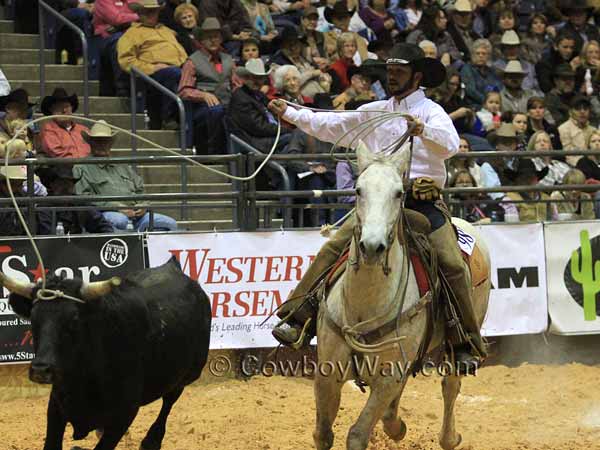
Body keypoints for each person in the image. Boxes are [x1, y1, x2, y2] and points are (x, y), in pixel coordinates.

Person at [267, 42, 487, 365]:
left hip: (420, 203)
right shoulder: (375, 110)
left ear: (416, 77)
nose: (392, 78)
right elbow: (331, 125)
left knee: (452, 263)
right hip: (378, 203)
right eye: (390, 72)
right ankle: (297, 315)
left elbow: (451, 144)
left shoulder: (431, 112)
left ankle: (465, 340)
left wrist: (422, 130)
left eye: (399, 72)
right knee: (333, 248)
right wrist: (291, 113)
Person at [74, 121, 178, 232]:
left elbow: (140, 190)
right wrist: (116, 207)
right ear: (91, 143)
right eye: (98, 141)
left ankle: (146, 246)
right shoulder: (81, 167)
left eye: (105, 141)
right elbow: (84, 198)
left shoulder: (123, 165)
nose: (102, 144)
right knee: (120, 220)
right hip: (106, 213)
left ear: (111, 143)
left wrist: (143, 205)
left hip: (137, 215)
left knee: (170, 223)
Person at [117, 0, 188, 128]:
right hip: (152, 75)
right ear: (140, 13)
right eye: (147, 12)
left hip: (179, 67)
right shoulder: (131, 34)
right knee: (174, 74)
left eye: (153, 11)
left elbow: (181, 52)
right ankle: (168, 117)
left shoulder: (166, 30)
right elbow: (126, 61)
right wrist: (153, 67)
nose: (151, 14)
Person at [177, 17, 236, 153]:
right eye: (208, 37)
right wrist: (203, 95)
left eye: (216, 36)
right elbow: (183, 90)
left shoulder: (229, 60)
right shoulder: (192, 61)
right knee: (216, 111)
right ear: (201, 40)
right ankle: (213, 153)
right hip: (203, 109)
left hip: (228, 104)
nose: (213, 40)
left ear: (221, 39)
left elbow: (236, 86)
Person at [35, 165, 115, 234]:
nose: (66, 188)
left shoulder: (80, 203)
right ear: (52, 185)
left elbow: (103, 225)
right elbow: (48, 237)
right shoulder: (44, 207)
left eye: (69, 183)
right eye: (61, 183)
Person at [39, 88, 91, 159]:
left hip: (88, 166)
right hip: (65, 167)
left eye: (66, 106)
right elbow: (57, 153)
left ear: (72, 108)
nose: (64, 110)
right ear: (51, 110)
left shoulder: (84, 129)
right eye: (59, 107)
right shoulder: (48, 129)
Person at [0, 166, 51, 236]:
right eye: (13, 184)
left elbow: (44, 228)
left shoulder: (24, 197)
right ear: (3, 185)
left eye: (20, 184)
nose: (17, 188)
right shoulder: (4, 201)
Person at [459, 38, 503, 109]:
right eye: (477, 53)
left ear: (488, 56)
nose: (481, 56)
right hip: (474, 107)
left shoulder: (492, 71)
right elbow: (471, 91)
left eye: (484, 53)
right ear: (472, 55)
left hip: (493, 107)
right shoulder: (467, 69)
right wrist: (487, 102)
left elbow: (499, 89)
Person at [558, 95, 597, 165]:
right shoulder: (563, 129)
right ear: (570, 111)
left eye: (585, 108)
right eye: (578, 108)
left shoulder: (593, 130)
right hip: (574, 168)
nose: (582, 111)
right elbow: (568, 156)